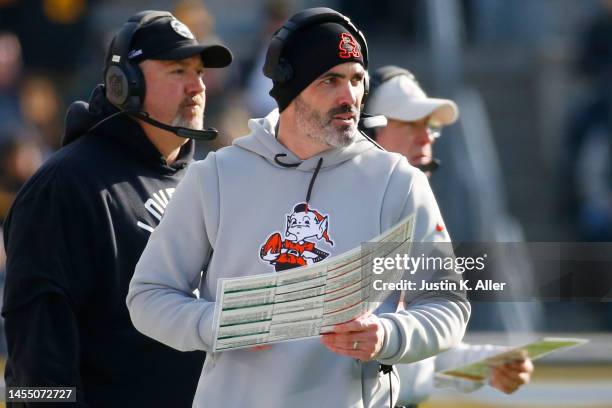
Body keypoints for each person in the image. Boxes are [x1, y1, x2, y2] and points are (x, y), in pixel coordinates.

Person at [127, 8, 470, 408]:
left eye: (357, 80)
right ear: (290, 89)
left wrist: (389, 335)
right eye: (331, 81)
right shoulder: (216, 176)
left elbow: (448, 306)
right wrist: (218, 324)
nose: (350, 98)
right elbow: (148, 297)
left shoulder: (398, 181)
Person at [1, 10, 232, 407]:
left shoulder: (205, 184)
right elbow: (32, 364)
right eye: (178, 71)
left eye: (199, 72)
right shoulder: (65, 186)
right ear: (123, 84)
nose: (197, 86)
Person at [364, 65, 534, 407]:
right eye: (408, 123)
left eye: (430, 126)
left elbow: (409, 356)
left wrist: (485, 363)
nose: (426, 137)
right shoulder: (338, 219)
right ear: (366, 132)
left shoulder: (411, 216)